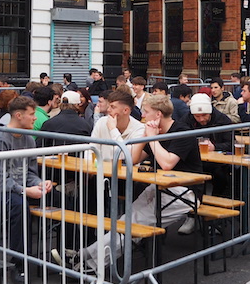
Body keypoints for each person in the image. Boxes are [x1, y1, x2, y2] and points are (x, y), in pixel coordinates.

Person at [59, 93, 201, 273]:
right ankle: (84, 254)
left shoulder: (183, 132)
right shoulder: (152, 131)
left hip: (185, 193)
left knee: (134, 221)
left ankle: (91, 264)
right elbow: (132, 159)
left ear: (158, 115)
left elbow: (167, 164)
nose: (143, 116)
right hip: (158, 187)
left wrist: (151, 137)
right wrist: (144, 137)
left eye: (146, 112)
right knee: (126, 218)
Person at [0, 96, 54, 284]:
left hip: (16, 188)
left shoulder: (28, 139)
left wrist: (39, 183)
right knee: (19, 207)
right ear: (19, 115)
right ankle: (19, 263)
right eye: (31, 114)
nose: (35, 118)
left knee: (61, 197)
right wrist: (26, 191)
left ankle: (68, 255)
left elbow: (30, 172)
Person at [90, 88, 146, 161]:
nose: (108, 110)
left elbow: (126, 156)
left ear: (126, 110)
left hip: (126, 171)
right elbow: (91, 150)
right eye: (109, 106)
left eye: (113, 107)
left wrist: (113, 129)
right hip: (100, 170)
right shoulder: (101, 122)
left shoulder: (139, 129)